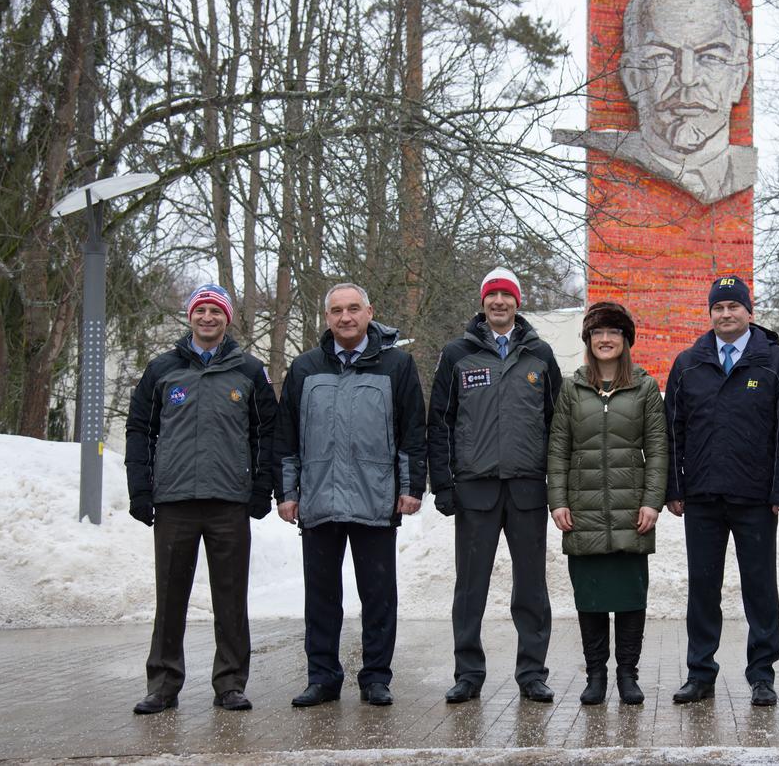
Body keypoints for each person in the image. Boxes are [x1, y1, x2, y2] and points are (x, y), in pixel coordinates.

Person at [125, 283, 278, 714]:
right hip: (174, 501)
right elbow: (139, 430)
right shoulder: (162, 370)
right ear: (189, 316)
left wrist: (260, 488)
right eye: (200, 310)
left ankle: (230, 683)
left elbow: (267, 432)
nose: (207, 317)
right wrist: (141, 489)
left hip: (228, 501)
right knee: (170, 596)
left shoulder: (248, 371)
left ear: (227, 319)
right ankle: (163, 683)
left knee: (231, 597)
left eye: (216, 311)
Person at [273, 282, 427, 708]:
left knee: (378, 597)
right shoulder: (304, 368)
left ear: (369, 311)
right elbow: (285, 437)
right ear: (327, 318)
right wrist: (287, 493)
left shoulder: (396, 365)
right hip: (319, 500)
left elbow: (413, 430)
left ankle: (376, 677)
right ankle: (322, 678)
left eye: (354, 309)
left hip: (375, 499)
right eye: (337, 310)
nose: (346, 317)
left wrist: (411, 487)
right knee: (321, 598)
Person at [664, 275, 779, 707]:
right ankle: (700, 672)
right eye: (718, 308)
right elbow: (673, 432)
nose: (726, 314)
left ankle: (762, 674)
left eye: (733, 307)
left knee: (760, 588)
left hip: (754, 498)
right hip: (703, 497)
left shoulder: (775, 364)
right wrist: (675, 487)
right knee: (702, 589)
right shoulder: (688, 363)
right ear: (710, 314)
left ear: (749, 312)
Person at [428, 267, 563, 703]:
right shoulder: (457, 355)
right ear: (483, 302)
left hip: (526, 490)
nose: (499, 302)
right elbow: (440, 424)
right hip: (476, 492)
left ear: (517, 302)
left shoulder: (540, 356)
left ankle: (531, 673)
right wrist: (443, 485)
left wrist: (556, 486)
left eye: (507, 295)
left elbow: (558, 425)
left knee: (531, 587)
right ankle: (468, 674)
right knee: (470, 588)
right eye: (493, 296)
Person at [547, 302, 667, 706]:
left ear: (626, 340)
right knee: (592, 597)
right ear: (588, 340)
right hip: (583, 510)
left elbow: (658, 449)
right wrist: (557, 501)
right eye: (597, 333)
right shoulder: (572, 387)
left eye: (613, 332)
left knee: (631, 598)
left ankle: (627, 676)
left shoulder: (646, 388)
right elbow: (558, 448)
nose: (605, 339)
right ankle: (595, 675)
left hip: (631, 510)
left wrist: (652, 502)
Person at [553, 0, 756, 204]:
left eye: (710, 57)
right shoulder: (602, 155)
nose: (687, 78)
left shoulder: (748, 170)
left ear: (739, 78)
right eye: (662, 57)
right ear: (632, 78)